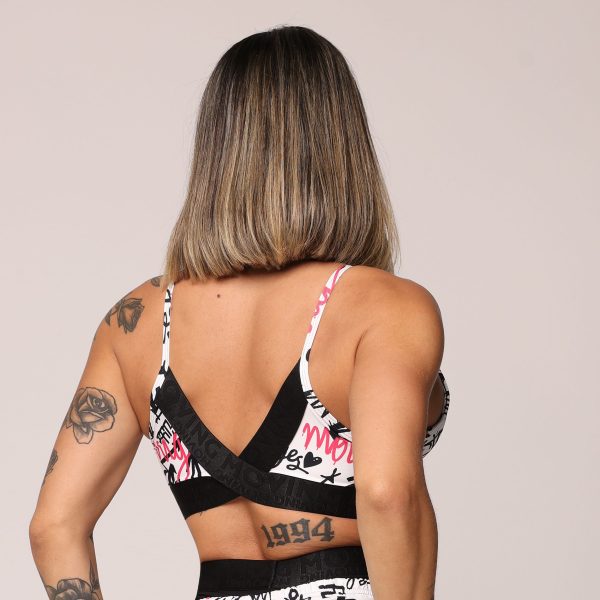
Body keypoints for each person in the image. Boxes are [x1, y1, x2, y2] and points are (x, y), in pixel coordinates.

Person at [29, 24, 451, 600]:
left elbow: (53, 526)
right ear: (344, 147)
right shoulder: (383, 305)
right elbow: (387, 495)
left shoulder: (138, 320)